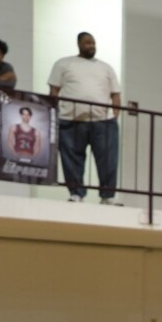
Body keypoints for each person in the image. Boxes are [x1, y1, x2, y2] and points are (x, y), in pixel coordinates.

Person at [47, 32, 121, 204]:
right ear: (79, 44)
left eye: (93, 43)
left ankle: (107, 196)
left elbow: (116, 95)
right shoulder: (64, 63)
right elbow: (54, 91)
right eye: (87, 42)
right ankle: (76, 193)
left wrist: (114, 117)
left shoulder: (106, 67)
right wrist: (57, 112)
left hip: (103, 122)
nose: (91, 46)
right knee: (71, 158)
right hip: (70, 119)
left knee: (108, 160)